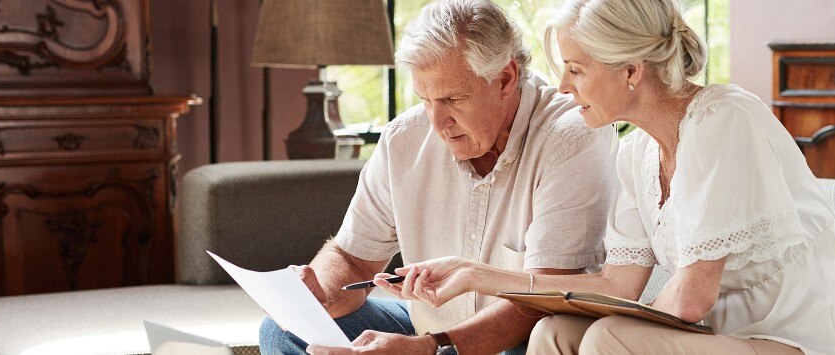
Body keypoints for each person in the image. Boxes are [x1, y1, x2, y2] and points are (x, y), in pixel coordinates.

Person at [392, 0, 835, 354]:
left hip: (808, 338)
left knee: (608, 339)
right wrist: (478, 273)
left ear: (631, 70)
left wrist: (614, 324)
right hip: (730, 336)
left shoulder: (724, 118)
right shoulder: (635, 153)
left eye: (576, 69)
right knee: (553, 333)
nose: (563, 87)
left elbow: (692, 299)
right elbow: (616, 283)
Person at [260, 1, 618, 354]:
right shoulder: (405, 138)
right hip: (431, 329)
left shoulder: (572, 136)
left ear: (505, 78)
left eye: (452, 98)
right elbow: (353, 259)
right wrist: (319, 297)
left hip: (525, 335)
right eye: (426, 99)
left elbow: (542, 297)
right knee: (285, 331)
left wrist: (431, 348)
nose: (436, 123)